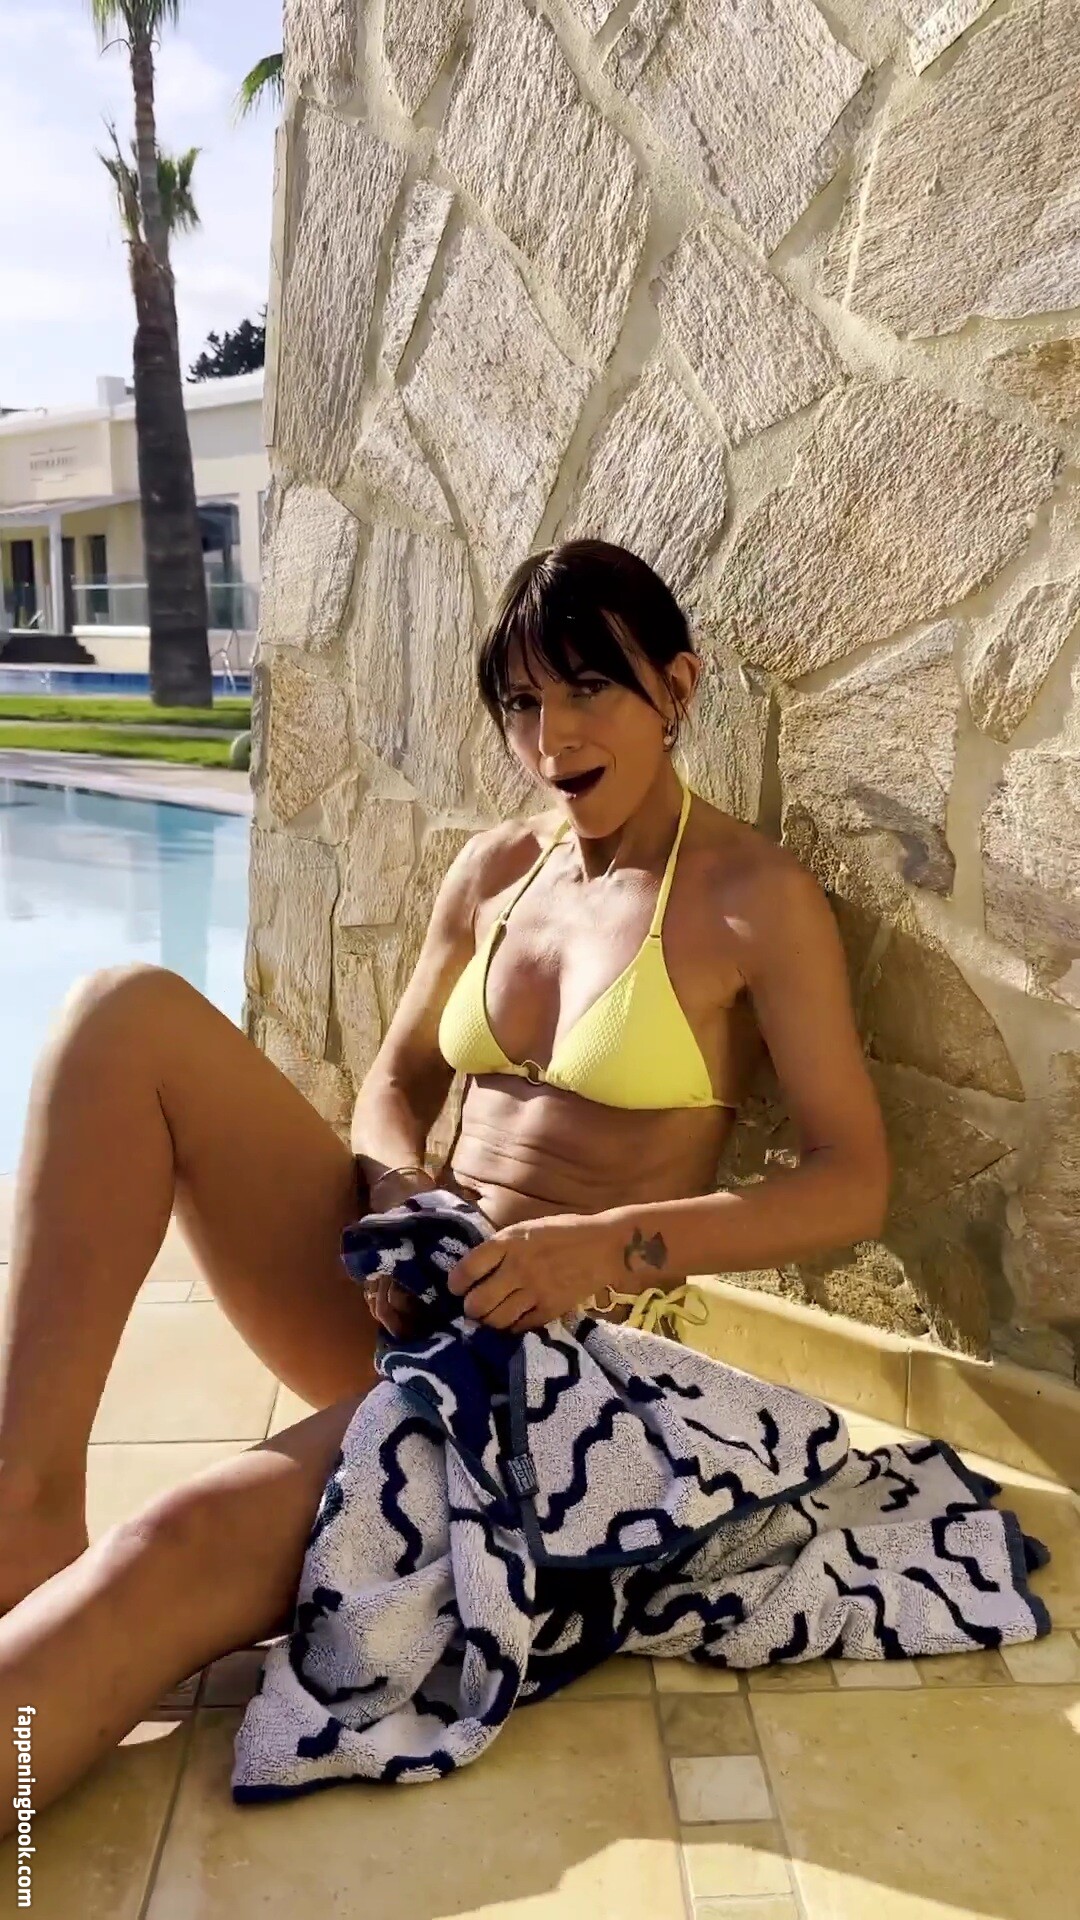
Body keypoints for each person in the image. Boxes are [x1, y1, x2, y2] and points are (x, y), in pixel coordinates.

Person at [0, 538, 888, 1828]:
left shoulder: (753, 900)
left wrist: (607, 1247)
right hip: (414, 1290)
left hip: (554, 1377)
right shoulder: (495, 871)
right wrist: (393, 1188)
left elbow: (853, 1181)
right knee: (117, 1012)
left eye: (588, 688)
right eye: (522, 702)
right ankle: (25, 1508)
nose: (551, 735)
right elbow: (397, 1080)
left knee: (176, 1545)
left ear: (678, 687)